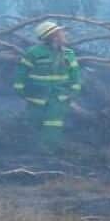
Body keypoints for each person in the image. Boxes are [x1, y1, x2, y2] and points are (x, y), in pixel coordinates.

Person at [13, 20, 82, 153]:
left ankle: (48, 153)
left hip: (59, 98)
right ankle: (28, 151)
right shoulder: (33, 53)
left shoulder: (69, 54)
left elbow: (75, 76)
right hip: (36, 97)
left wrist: (72, 93)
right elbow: (22, 72)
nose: (64, 35)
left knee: (53, 126)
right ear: (52, 36)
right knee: (34, 123)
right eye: (60, 33)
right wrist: (21, 91)